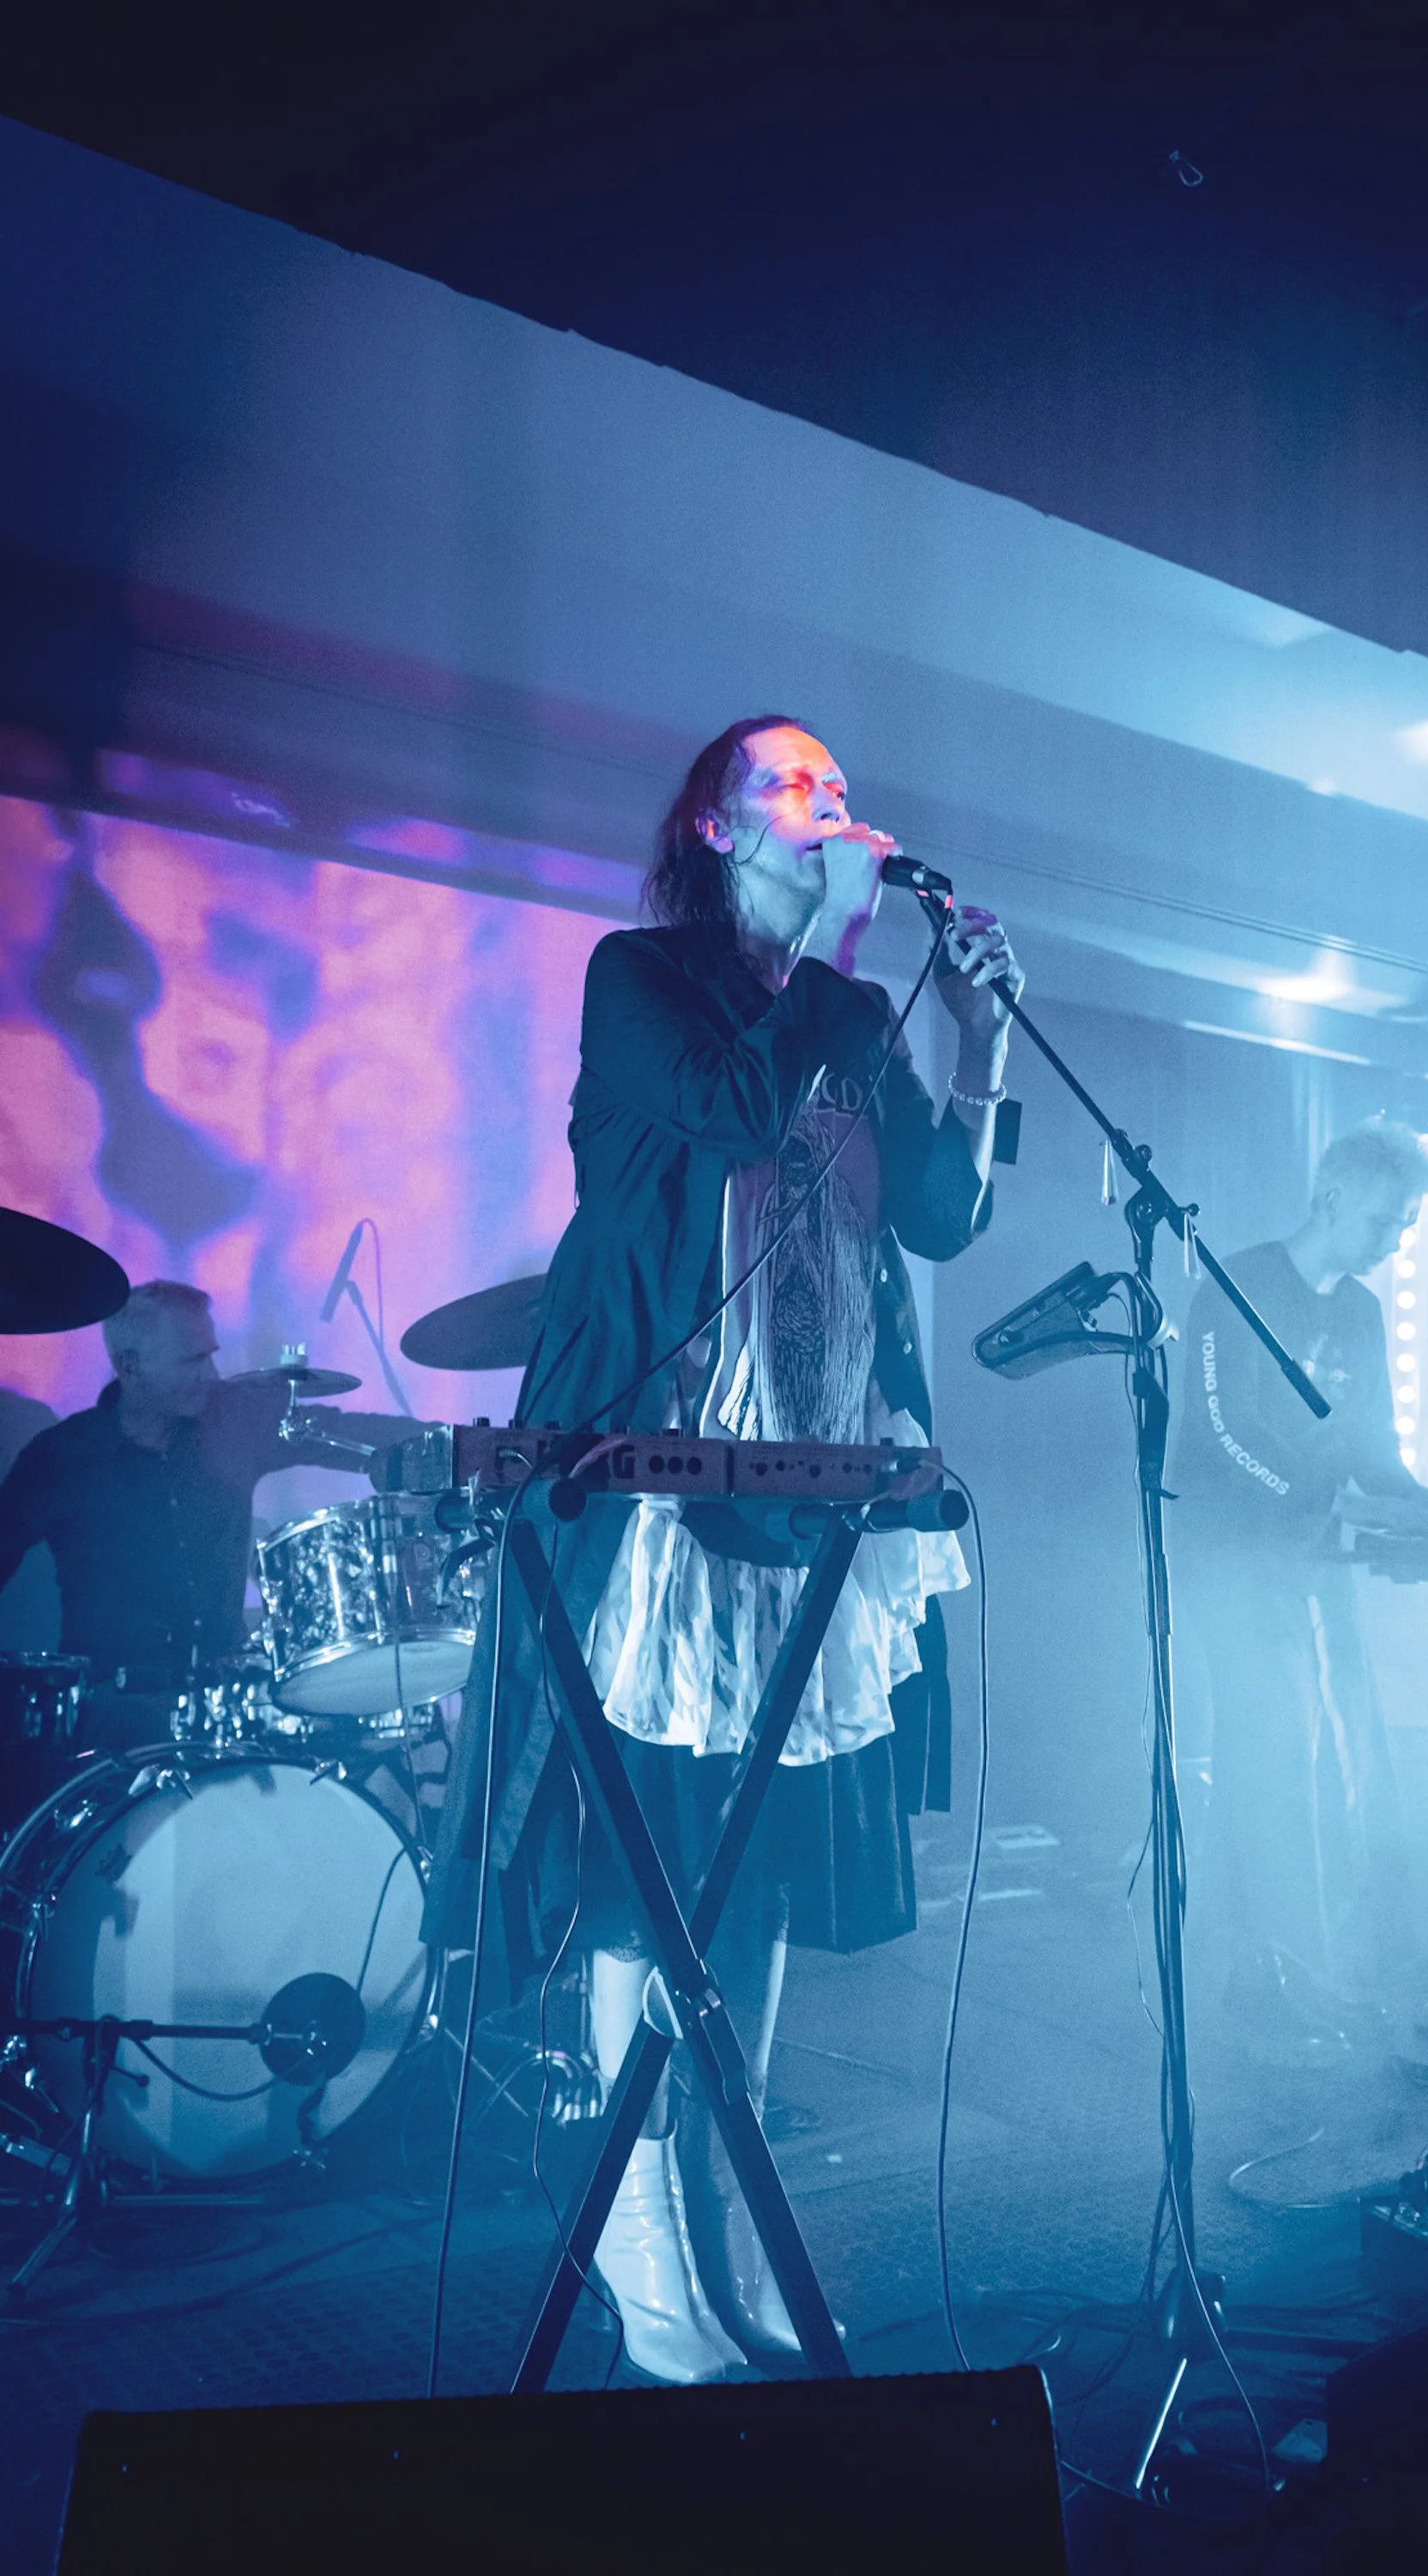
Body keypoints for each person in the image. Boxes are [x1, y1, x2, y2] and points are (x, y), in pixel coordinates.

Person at [426, 713, 1018, 2382]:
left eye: (843, 780)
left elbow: (944, 1216)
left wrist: (970, 1037)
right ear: (710, 823)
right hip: (648, 1497)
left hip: (804, 1485)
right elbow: (738, 1112)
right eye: (792, 784)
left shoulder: (846, 1010)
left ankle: (731, 2224)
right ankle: (643, 2263)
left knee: (742, 1883)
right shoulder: (642, 981)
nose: (830, 803)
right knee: (642, 1885)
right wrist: (843, 950)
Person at [1167, 1118, 1428, 2068]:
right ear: (1332, 1198)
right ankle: (1265, 1975)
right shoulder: (1236, 1288)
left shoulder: (1363, 1312)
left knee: (1324, 1756)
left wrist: (1410, 1494)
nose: (1397, 1238)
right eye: (1388, 1217)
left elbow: (1368, 1432)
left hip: (1309, 1556)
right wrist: (1311, 1492)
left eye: (1411, 1222)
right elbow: (1218, 1429)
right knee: (1274, 1754)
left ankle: (1249, 1959)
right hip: (1226, 1554)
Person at [0, 1278, 414, 1752]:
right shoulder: (63, 1456)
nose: (213, 1373)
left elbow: (354, 1434)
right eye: (192, 1360)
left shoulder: (231, 1422)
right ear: (130, 1366)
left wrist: (481, 1449)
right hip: (110, 1723)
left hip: (226, 1714)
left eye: (211, 1353)